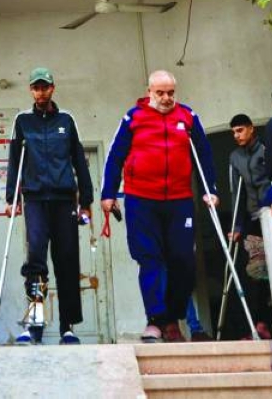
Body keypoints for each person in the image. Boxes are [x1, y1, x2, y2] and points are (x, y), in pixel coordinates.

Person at [101, 70, 219, 344]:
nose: (166, 98)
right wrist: (108, 193)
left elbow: (205, 155)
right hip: (141, 199)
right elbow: (115, 156)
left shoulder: (188, 117)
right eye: (160, 93)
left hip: (179, 199)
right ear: (150, 92)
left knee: (183, 261)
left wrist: (210, 190)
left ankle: (173, 316)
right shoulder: (134, 118)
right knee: (150, 259)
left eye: (171, 93)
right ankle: (155, 322)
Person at [5, 67, 94, 345]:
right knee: (36, 261)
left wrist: (87, 201)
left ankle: (68, 327)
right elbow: (13, 162)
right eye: (35, 87)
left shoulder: (67, 120)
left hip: (64, 199)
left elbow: (79, 160)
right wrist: (11, 199)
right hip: (34, 199)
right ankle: (35, 325)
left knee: (66, 260)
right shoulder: (22, 121)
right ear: (31, 90)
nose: (40, 92)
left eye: (44, 87)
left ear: (52, 88)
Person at [225, 113, 272, 338]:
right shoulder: (235, 157)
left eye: (240, 130)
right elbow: (236, 192)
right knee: (256, 272)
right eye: (234, 131)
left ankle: (269, 321)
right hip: (252, 218)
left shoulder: (265, 149)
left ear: (251, 128)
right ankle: (258, 324)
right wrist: (236, 226)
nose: (236, 135)